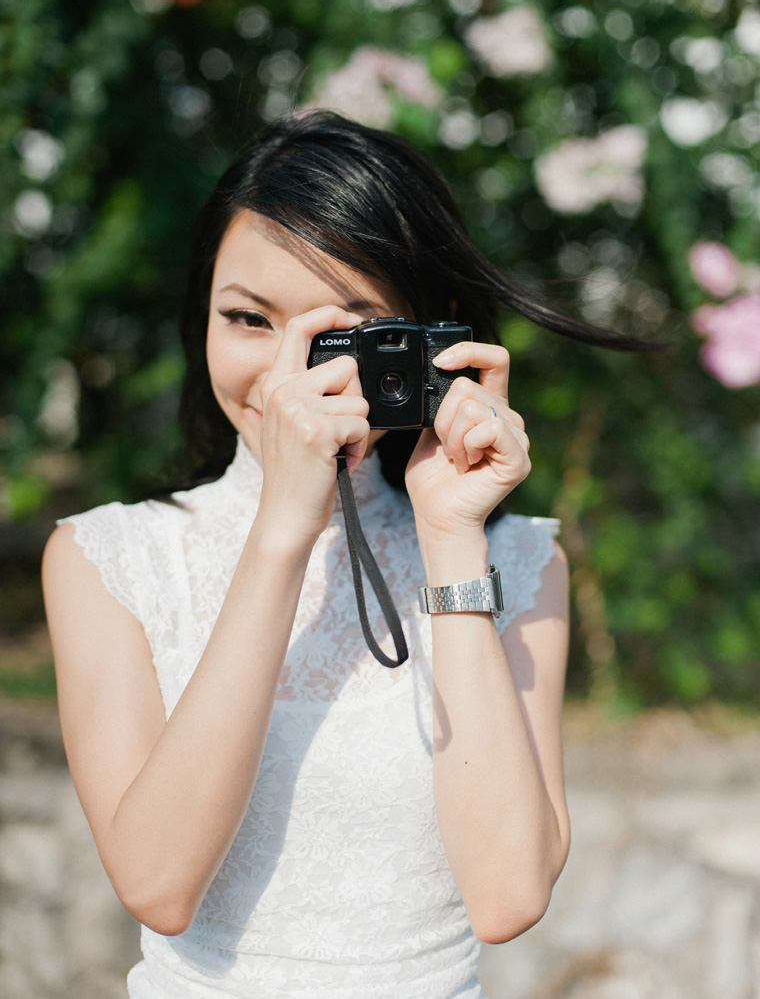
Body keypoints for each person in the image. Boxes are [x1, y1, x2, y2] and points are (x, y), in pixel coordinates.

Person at [42, 110, 631, 999]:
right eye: (247, 318)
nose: (287, 377)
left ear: (426, 343)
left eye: (337, 338)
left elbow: (507, 896)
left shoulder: (518, 559)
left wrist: (448, 532)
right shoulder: (108, 558)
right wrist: (285, 528)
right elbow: (157, 885)